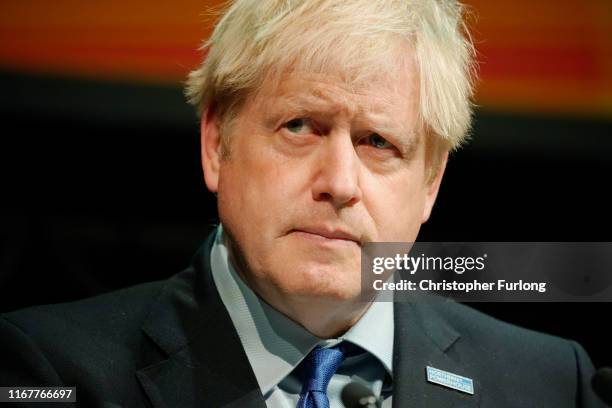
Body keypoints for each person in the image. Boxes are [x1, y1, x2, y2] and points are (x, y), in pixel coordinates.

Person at [0, 0, 604, 407]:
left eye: (378, 142)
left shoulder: (550, 383)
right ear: (217, 143)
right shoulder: (51, 373)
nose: (339, 182)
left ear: (430, 185)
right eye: (300, 126)